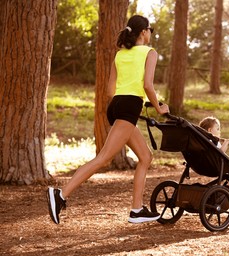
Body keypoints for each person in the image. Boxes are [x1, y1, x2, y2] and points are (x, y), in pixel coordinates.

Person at [46, 15, 169, 225]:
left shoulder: (120, 55)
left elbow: (110, 91)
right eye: (151, 29)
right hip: (128, 107)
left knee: (145, 157)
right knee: (103, 159)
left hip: (117, 106)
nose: (151, 33)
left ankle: (137, 209)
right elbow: (148, 85)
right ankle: (61, 195)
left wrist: (129, 103)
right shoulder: (150, 53)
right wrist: (158, 107)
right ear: (143, 32)